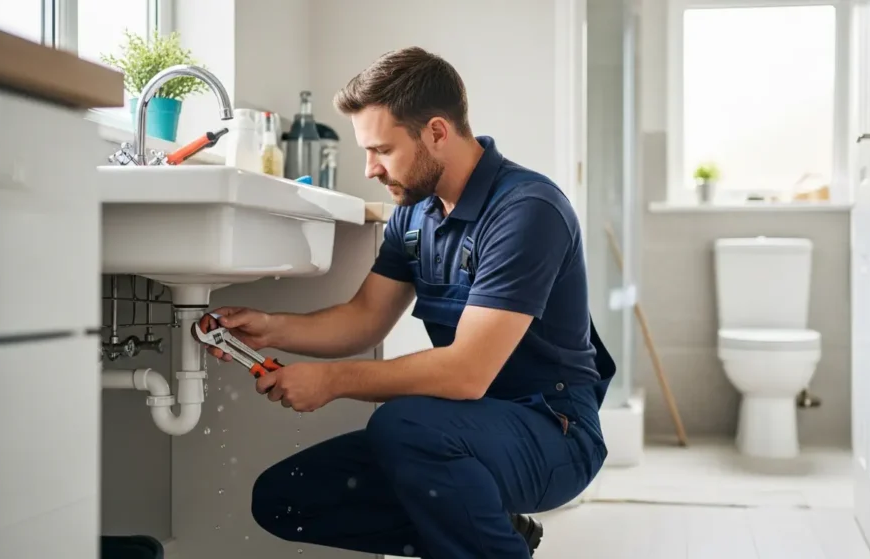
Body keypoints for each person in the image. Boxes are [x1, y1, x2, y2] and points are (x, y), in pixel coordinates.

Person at [195, 46, 616, 558]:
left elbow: (466, 373)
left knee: (403, 424)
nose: (370, 169)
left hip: (553, 431)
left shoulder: (526, 209)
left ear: (437, 132)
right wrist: (269, 326)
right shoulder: (416, 215)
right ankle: (496, 535)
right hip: (466, 427)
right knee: (286, 498)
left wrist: (331, 381)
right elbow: (364, 318)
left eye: (382, 150)